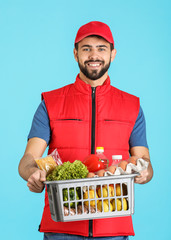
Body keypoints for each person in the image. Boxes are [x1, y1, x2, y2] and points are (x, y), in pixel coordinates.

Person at [18, 21, 153, 240]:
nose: (94, 55)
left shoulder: (132, 105)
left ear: (113, 54)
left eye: (101, 48)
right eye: (86, 48)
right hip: (61, 227)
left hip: (113, 227)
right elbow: (28, 158)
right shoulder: (50, 102)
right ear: (75, 54)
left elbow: (144, 161)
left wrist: (145, 172)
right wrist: (33, 173)